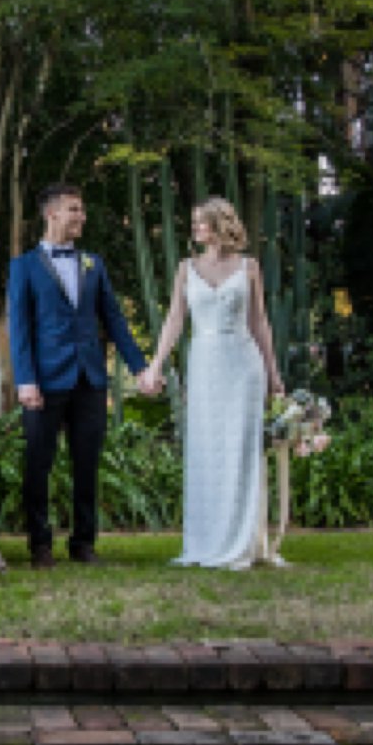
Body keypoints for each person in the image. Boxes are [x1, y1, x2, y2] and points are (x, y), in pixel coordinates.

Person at [7, 183, 150, 568]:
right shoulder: (23, 267)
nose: (81, 217)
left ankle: (83, 543)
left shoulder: (94, 264)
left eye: (81, 210)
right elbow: (19, 329)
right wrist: (25, 380)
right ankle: (40, 545)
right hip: (43, 382)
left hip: (89, 380)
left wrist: (140, 367)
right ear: (51, 213)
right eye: (75, 210)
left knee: (86, 464)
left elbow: (115, 320)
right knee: (39, 463)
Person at [141, 196, 286, 570]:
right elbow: (174, 319)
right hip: (205, 364)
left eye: (200, 223)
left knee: (241, 450)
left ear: (219, 225)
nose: (195, 230)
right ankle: (206, 541)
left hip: (243, 364)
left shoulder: (249, 267)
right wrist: (156, 364)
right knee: (208, 450)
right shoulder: (187, 268)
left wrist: (273, 374)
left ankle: (243, 541)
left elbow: (260, 323)